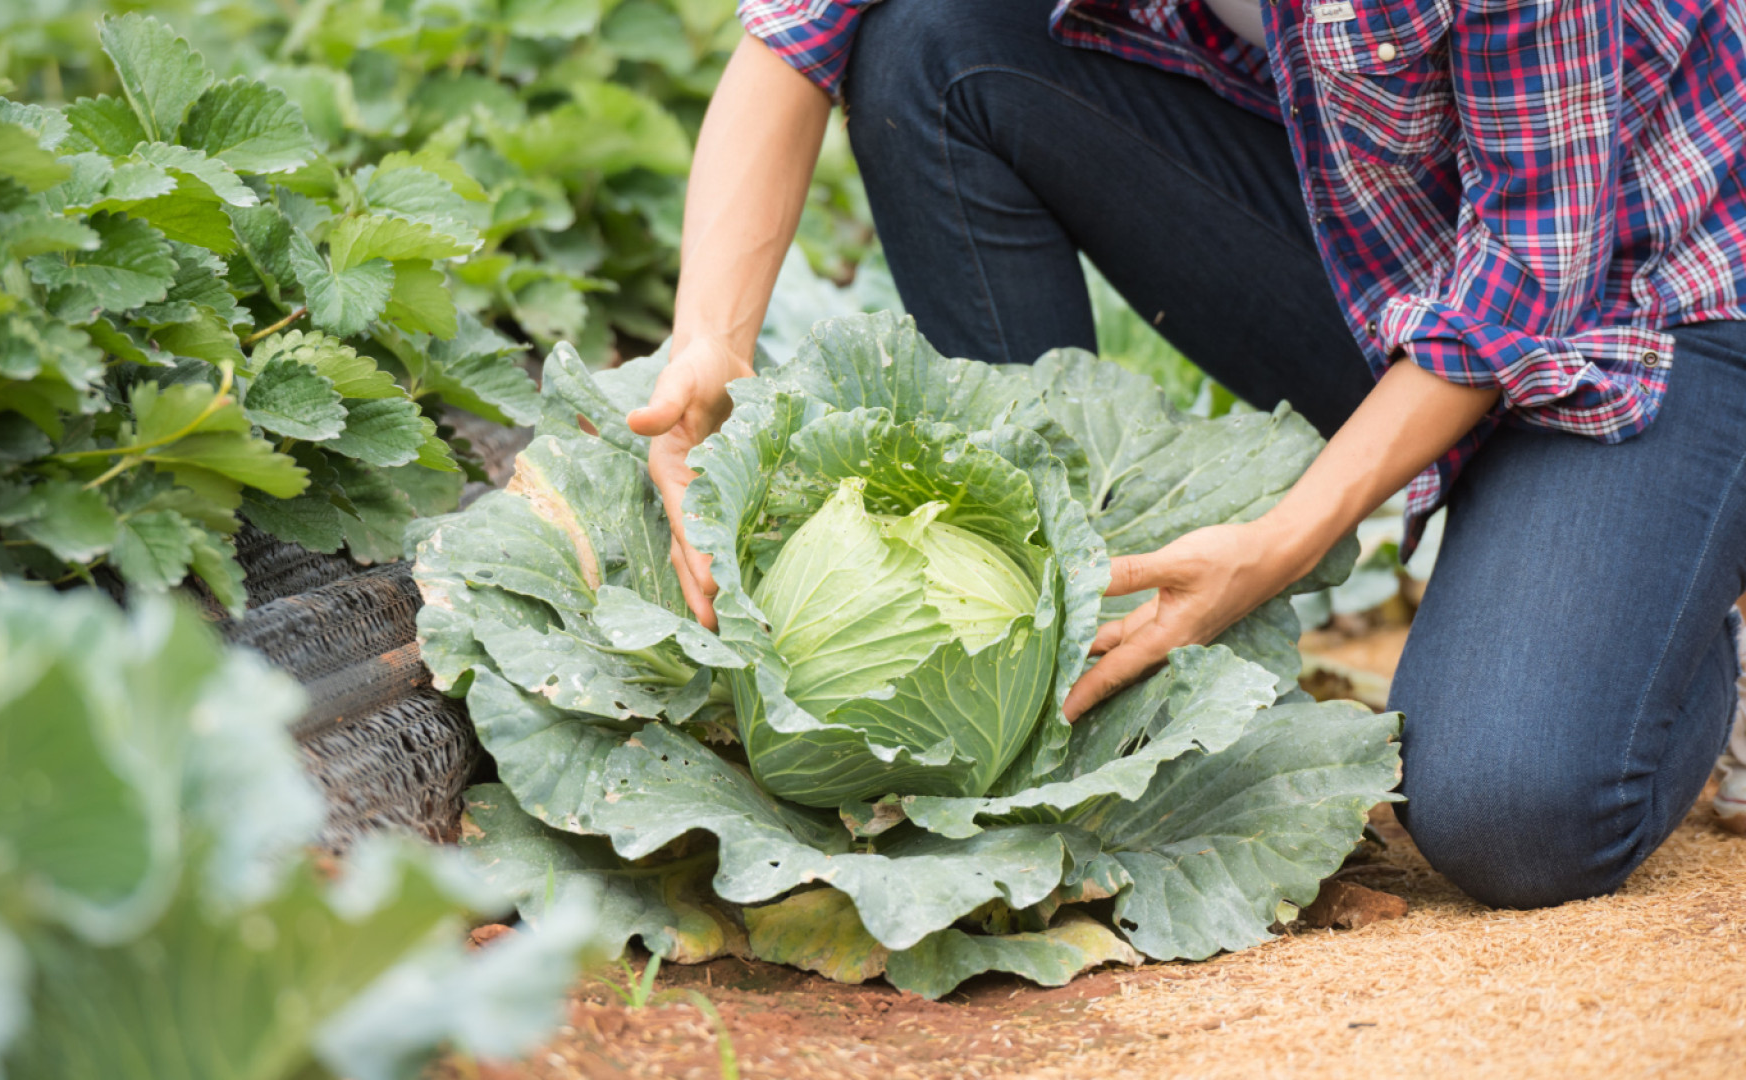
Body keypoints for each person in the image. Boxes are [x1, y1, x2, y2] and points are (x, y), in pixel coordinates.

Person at [625, 0, 1746, 905]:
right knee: (933, 43)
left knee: (1514, 816)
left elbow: (1526, 278)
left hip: (1652, 301)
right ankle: (1071, 661)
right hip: (1387, 238)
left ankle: (1682, 577)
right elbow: (800, 27)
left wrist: (1277, 541)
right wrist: (708, 347)